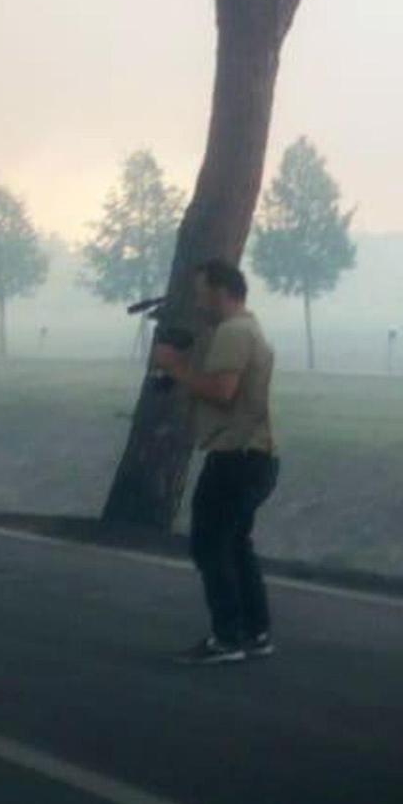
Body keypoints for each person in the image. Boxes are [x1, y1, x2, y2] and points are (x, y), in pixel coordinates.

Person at [153, 258, 278, 665]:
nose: (198, 301)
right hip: (256, 456)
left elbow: (222, 391)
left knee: (210, 545)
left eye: (201, 292)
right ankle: (255, 633)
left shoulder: (233, 332)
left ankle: (227, 638)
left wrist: (175, 366)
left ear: (221, 291)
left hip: (235, 458)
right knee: (236, 544)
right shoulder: (248, 327)